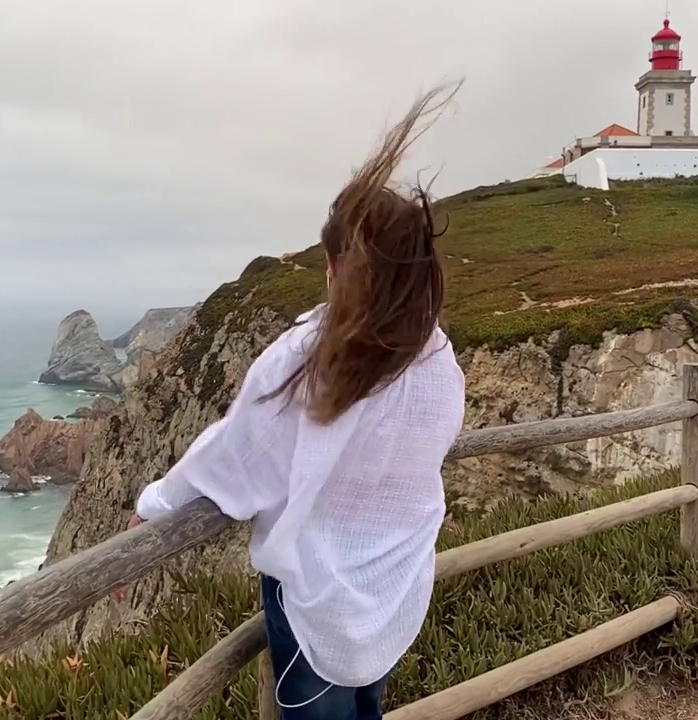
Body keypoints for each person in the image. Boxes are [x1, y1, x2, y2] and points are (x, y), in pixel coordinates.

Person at [122, 82, 467, 720]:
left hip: (317, 596)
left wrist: (157, 503)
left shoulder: (308, 357)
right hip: (391, 581)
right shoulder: (435, 353)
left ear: (337, 267)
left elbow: (236, 458)